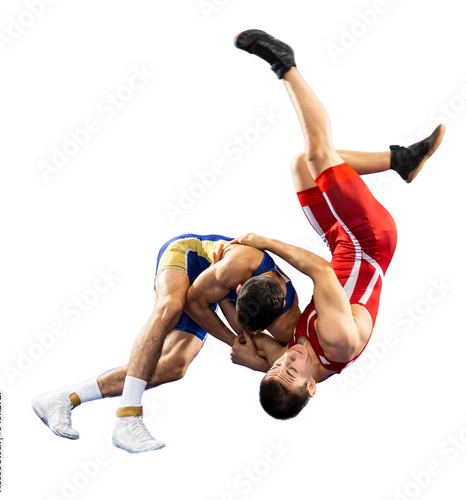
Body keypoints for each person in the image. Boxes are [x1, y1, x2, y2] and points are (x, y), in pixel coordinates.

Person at [230, 29, 445, 420]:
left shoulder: (294, 366)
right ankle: (285, 63)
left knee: (301, 167)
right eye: (291, 369)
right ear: (312, 386)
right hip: (369, 242)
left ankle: (401, 162)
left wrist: (252, 359)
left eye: (280, 366)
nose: (288, 359)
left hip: (341, 245)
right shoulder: (336, 341)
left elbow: (261, 352)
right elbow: (320, 271)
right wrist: (266, 242)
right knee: (316, 154)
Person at [32, 233, 300, 453]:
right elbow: (196, 302)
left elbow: (273, 362)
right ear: (240, 289)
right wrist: (234, 341)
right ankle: (128, 415)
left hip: (214, 290)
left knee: (175, 366)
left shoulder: (287, 324)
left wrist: (253, 362)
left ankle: (63, 399)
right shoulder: (237, 266)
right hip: (190, 256)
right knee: (170, 306)